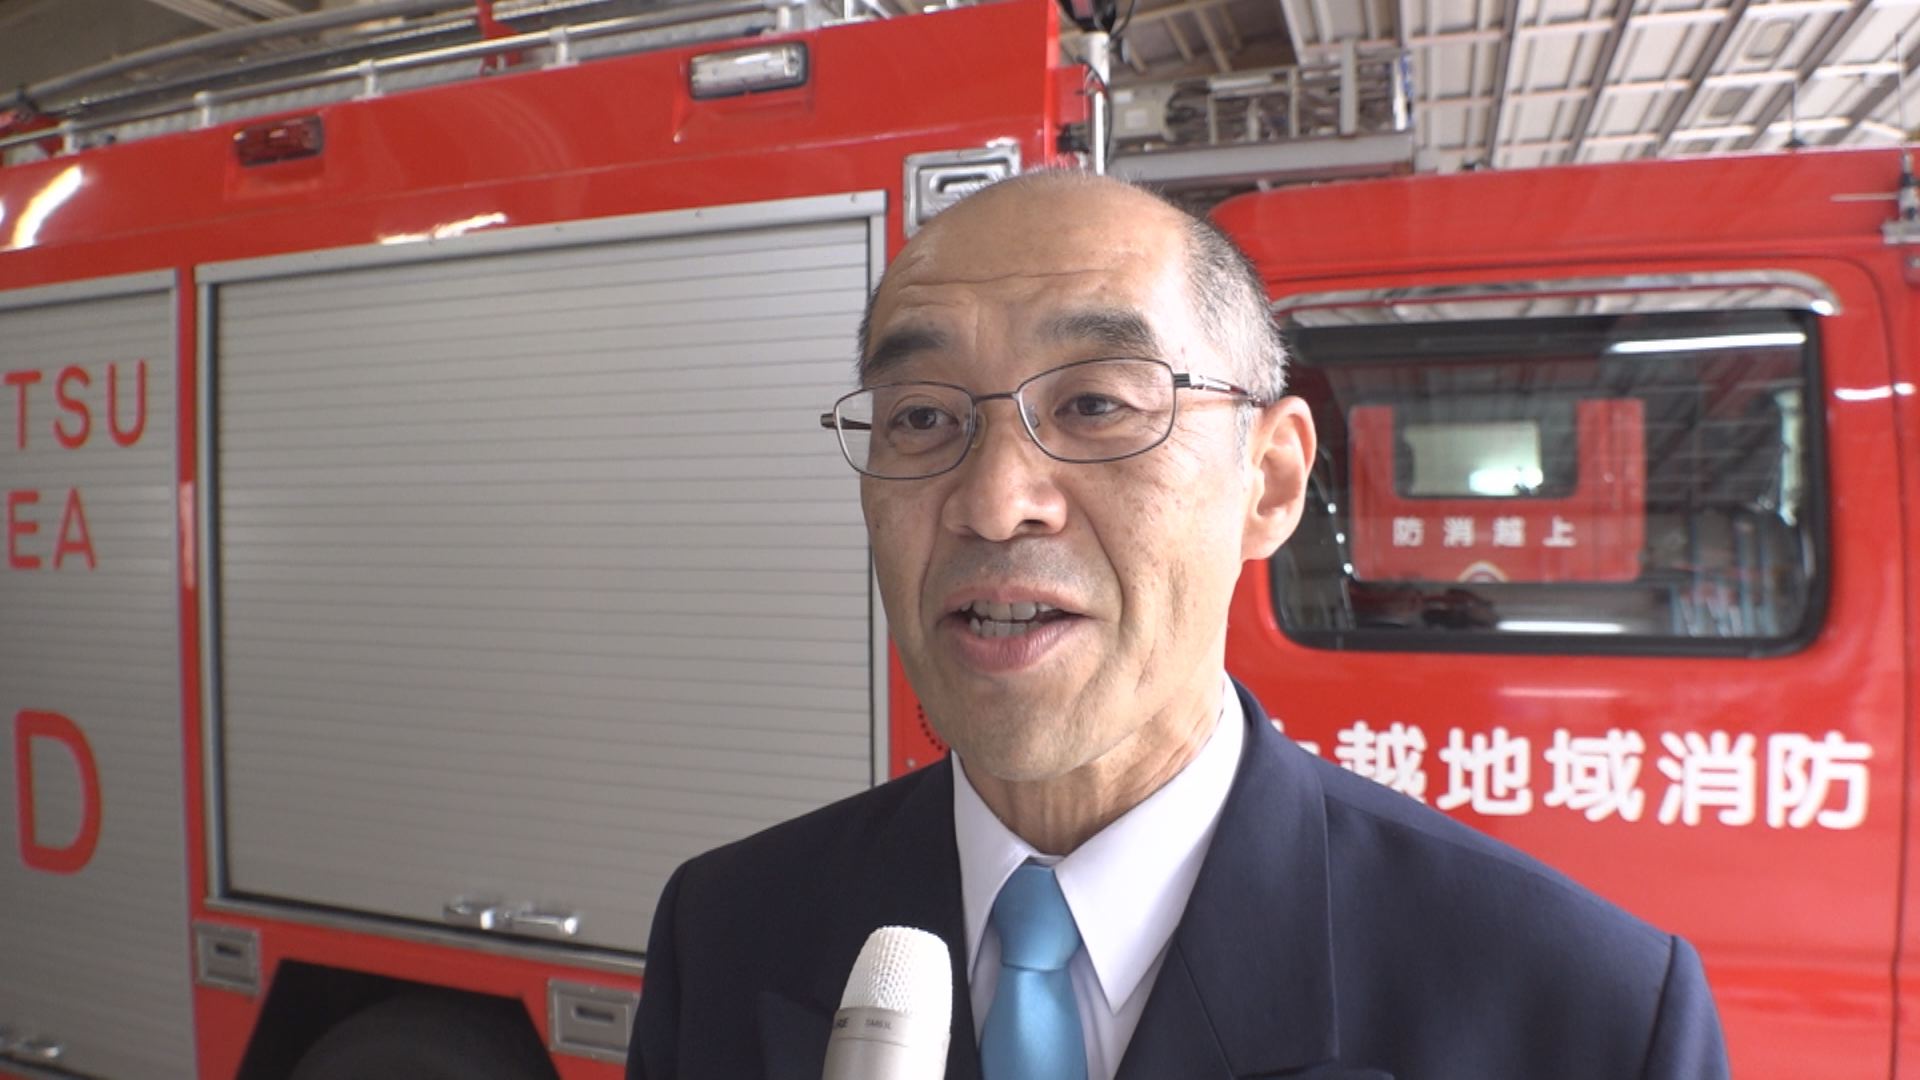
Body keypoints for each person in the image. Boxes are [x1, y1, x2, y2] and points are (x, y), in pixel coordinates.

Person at [627, 170, 1730, 1080]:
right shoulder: (726, 930)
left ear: (1271, 482)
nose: (994, 502)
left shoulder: (1584, 1013)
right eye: (921, 416)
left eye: (1096, 404)